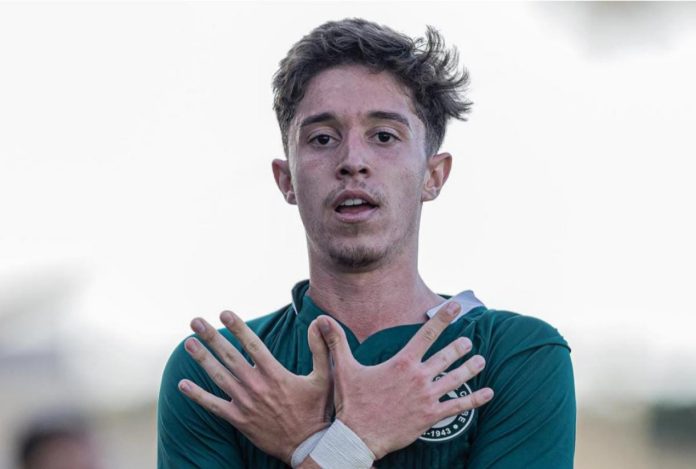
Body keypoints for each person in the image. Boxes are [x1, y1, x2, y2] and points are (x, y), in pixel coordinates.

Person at [157, 18, 575, 468]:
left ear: (433, 176)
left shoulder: (516, 355)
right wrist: (354, 441)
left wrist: (315, 447)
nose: (352, 161)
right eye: (322, 138)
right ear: (287, 180)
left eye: (384, 136)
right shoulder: (219, 372)